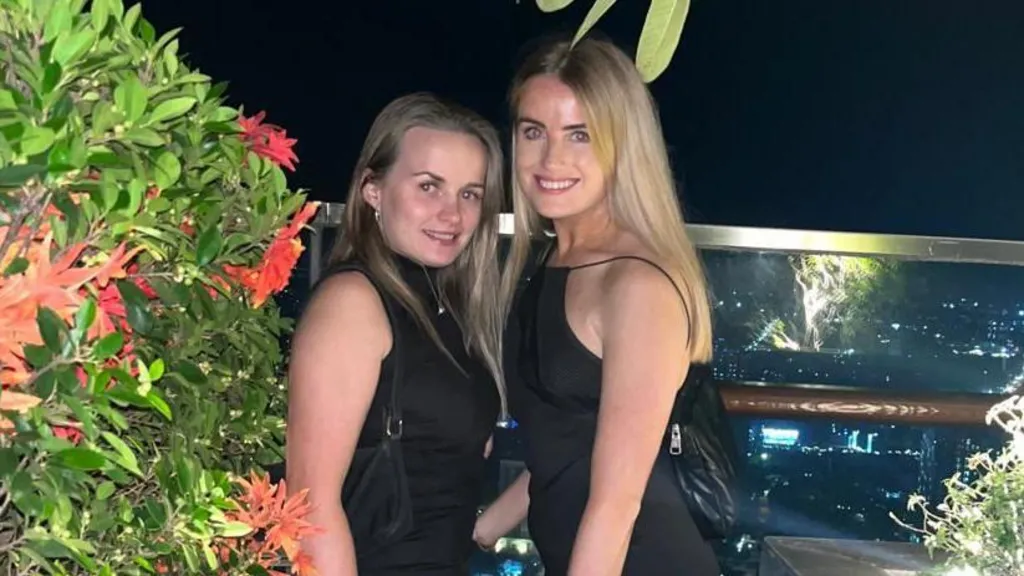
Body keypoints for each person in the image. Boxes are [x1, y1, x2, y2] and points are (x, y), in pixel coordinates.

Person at [474, 37, 721, 576]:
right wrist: (485, 528)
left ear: (622, 145)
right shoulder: (551, 260)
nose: (551, 158)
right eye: (533, 131)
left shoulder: (637, 284)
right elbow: (568, 445)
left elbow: (616, 506)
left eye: (579, 134)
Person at [286, 92, 505, 575]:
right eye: (429, 187)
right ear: (373, 190)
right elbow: (310, 508)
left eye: (470, 194)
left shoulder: (445, 308)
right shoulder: (353, 302)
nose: (453, 215)